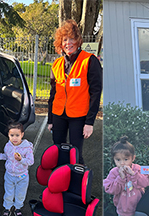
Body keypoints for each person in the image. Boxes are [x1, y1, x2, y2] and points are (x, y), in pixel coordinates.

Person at [47, 19, 102, 156]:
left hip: (78, 116)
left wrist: (90, 122)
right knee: (58, 150)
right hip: (58, 114)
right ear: (60, 43)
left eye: (71, 39)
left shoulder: (89, 60)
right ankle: (60, 175)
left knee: (75, 151)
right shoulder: (57, 64)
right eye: (64, 40)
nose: (68, 43)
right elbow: (53, 94)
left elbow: (96, 92)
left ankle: (77, 176)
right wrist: (50, 119)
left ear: (78, 41)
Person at [0, 122, 34, 216]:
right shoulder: (8, 146)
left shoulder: (26, 148)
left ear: (22, 134)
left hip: (22, 176)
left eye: (17, 135)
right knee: (8, 192)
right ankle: (7, 208)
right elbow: (7, 157)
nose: (14, 138)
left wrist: (21, 160)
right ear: (8, 135)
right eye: (12, 135)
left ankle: (17, 208)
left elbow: (30, 161)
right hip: (9, 175)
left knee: (20, 193)